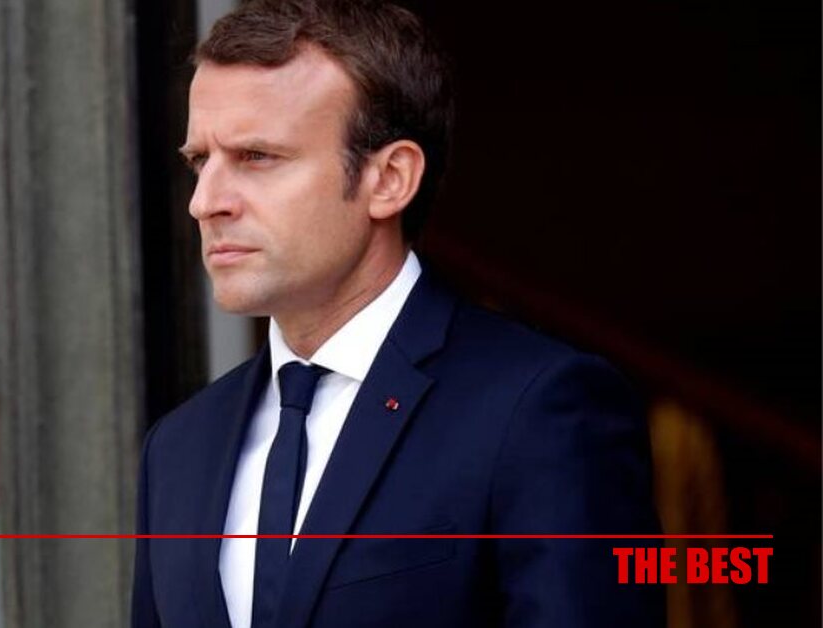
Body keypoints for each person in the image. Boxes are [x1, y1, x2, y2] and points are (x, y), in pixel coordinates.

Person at [130, 2, 663, 627]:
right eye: (200, 160)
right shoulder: (178, 447)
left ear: (389, 179)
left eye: (257, 157)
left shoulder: (539, 408)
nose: (205, 201)